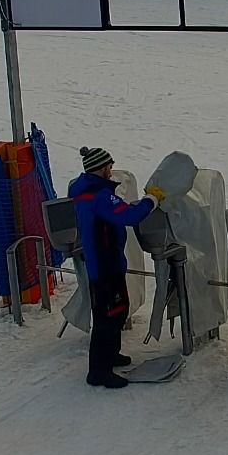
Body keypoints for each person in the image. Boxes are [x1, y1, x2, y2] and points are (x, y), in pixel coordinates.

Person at [69, 146, 165, 388]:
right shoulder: (99, 195)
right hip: (105, 264)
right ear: (100, 168)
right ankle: (99, 372)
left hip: (103, 261)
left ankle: (110, 355)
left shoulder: (85, 191)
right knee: (108, 317)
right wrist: (151, 200)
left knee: (116, 311)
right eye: (109, 167)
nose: (111, 171)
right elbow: (128, 216)